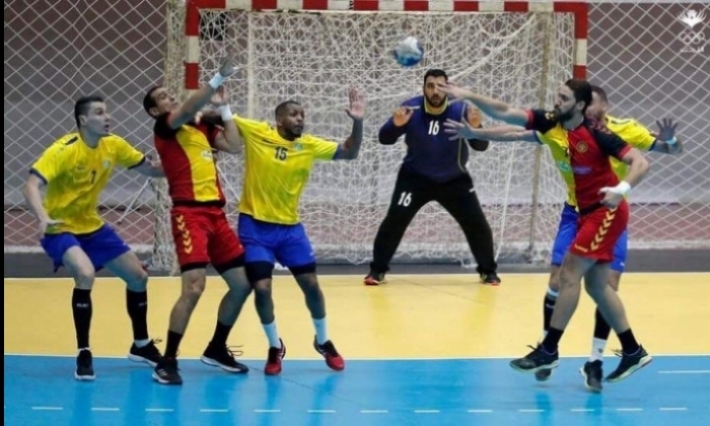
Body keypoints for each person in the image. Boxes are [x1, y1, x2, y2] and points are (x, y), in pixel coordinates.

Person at [441, 78, 653, 384]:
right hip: (583, 213)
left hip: (606, 213)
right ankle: (633, 351)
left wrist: (621, 189)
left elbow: (640, 162)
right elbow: (506, 115)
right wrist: (469, 103)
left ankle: (549, 349)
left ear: (579, 105)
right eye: (557, 95)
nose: (557, 102)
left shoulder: (598, 133)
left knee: (568, 275)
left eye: (564, 98)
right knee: (596, 286)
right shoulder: (551, 123)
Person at [531, 85, 682, 390]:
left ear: (603, 106)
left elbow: (668, 150)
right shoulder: (567, 128)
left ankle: (595, 361)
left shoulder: (623, 130)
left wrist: (671, 141)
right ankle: (549, 349)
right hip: (575, 212)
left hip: (610, 214)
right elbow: (525, 131)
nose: (588, 112)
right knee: (558, 280)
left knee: (606, 286)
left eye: (593, 107)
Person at [22, 95, 165, 381]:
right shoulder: (63, 150)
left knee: (138, 277)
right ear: (83, 120)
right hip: (59, 227)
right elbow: (31, 186)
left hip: (92, 226)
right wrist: (43, 218)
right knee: (85, 273)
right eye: (100, 113)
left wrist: (181, 155)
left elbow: (151, 170)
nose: (107, 117)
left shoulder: (113, 145)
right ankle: (84, 352)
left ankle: (141, 345)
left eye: (107, 111)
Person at [231, 88, 365, 375]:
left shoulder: (309, 145)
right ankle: (274, 347)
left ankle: (323, 340)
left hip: (290, 230)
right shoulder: (259, 132)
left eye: (302, 115)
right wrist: (217, 105)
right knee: (262, 289)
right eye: (294, 114)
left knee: (312, 287)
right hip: (255, 226)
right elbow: (224, 118)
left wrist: (358, 121)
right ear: (279, 120)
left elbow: (351, 152)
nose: (300, 119)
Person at [142, 57, 253, 385]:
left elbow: (234, 145)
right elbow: (190, 106)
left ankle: (216, 348)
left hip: (216, 215)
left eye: (169, 94)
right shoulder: (165, 126)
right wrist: (218, 77)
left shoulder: (201, 126)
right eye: (162, 97)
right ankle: (168, 361)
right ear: (153, 111)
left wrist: (226, 110)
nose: (169, 97)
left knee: (242, 284)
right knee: (194, 286)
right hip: (189, 215)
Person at [364, 69, 500, 286]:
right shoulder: (411, 108)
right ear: (423, 89)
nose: (435, 91)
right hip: (414, 179)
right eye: (430, 86)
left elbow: (480, 146)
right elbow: (384, 139)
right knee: (394, 220)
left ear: (447, 88)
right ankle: (377, 271)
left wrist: (476, 129)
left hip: (454, 179)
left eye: (439, 86)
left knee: (477, 224)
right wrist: (395, 125)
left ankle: (488, 272)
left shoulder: (462, 108)